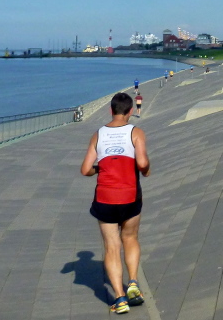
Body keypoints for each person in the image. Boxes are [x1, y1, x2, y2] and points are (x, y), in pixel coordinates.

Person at [81, 93, 150, 315]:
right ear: (130, 111)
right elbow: (142, 163)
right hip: (130, 196)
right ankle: (133, 283)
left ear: (111, 110)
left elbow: (85, 170)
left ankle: (120, 298)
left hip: (105, 198)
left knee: (112, 247)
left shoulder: (98, 135)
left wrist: (99, 169)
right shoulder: (135, 132)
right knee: (130, 238)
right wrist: (146, 170)